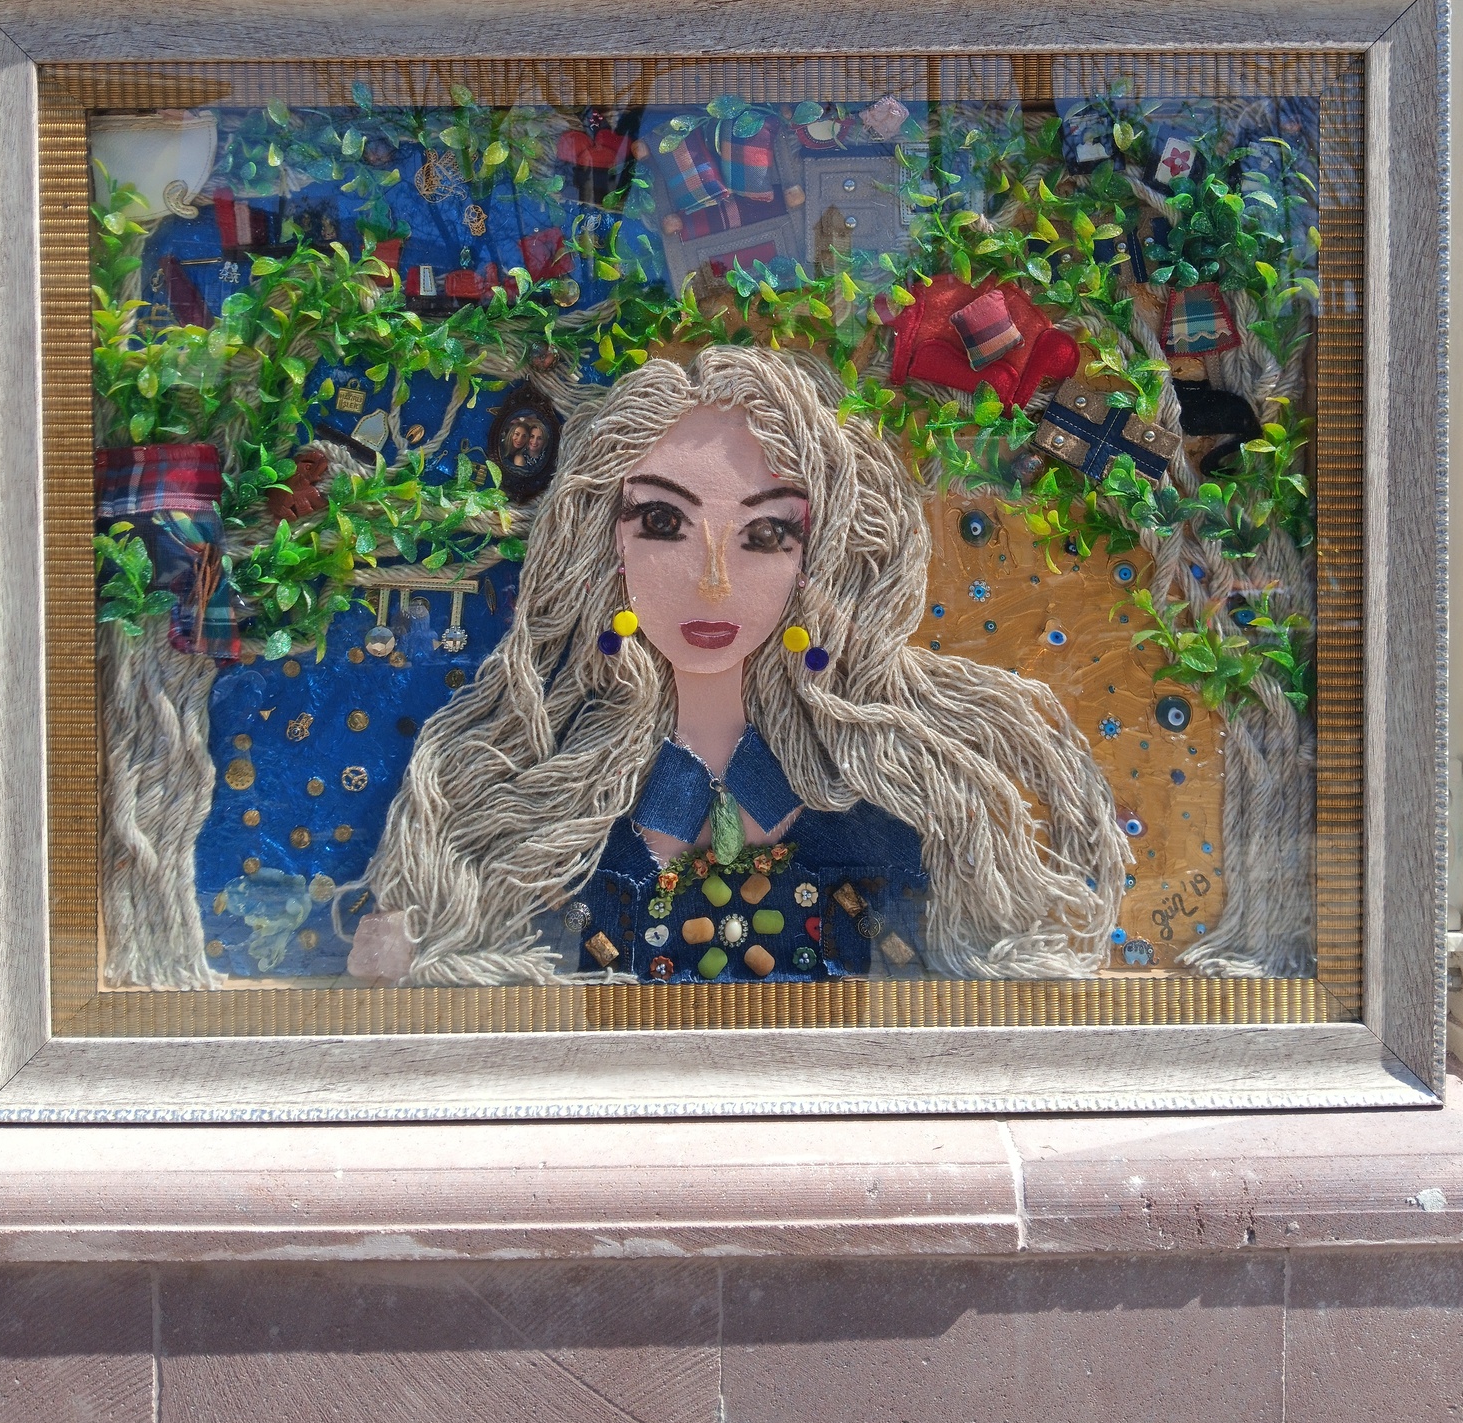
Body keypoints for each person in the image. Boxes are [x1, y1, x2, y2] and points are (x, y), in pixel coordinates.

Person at [346, 344, 1126, 986]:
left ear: (816, 559)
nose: (713, 581)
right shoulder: (551, 805)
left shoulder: (875, 797)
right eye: (663, 522)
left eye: (766, 535)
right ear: (605, 546)